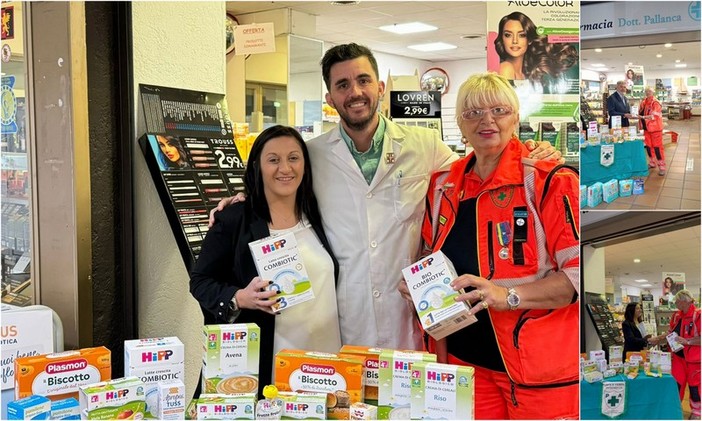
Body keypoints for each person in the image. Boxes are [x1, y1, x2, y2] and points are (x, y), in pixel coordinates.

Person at [210, 43, 561, 351]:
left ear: (379, 88)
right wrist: (241, 197)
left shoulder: (426, 147)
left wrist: (528, 150)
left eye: (363, 81)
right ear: (330, 99)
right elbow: (280, 180)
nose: (355, 92)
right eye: (342, 85)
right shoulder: (312, 155)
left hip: (408, 316)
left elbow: (479, 170)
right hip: (343, 320)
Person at [415, 72, 579, 419]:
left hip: (535, 370)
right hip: (462, 359)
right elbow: (429, 256)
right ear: (459, 122)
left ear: (516, 117)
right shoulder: (443, 184)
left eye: (499, 110)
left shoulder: (549, 179)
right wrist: (416, 284)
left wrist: (507, 296)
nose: (486, 120)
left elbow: (578, 277)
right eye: (473, 113)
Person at [189, 125, 340, 396]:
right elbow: (200, 281)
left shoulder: (316, 213)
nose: (285, 168)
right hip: (268, 365)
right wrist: (239, 297)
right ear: (257, 166)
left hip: (322, 363)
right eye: (274, 160)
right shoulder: (235, 219)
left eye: (293, 158)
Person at [494, 12, 577, 88]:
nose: (515, 41)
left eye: (522, 35)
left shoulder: (525, 73)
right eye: (508, 35)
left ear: (529, 40)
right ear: (502, 39)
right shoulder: (506, 68)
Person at [655, 290, 701, 419]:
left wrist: (688, 341)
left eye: (676, 301)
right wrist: (657, 338)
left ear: (684, 301)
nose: (674, 303)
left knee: (694, 388)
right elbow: (670, 333)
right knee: (676, 386)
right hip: (678, 359)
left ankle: (697, 413)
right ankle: (674, 409)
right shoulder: (676, 316)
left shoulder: (698, 315)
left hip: (694, 361)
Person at [639, 86, 666, 175]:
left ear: (653, 92)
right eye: (646, 91)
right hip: (646, 129)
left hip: (655, 129)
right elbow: (640, 113)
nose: (647, 93)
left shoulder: (656, 103)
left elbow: (654, 116)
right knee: (649, 147)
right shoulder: (643, 102)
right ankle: (652, 162)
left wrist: (642, 117)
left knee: (657, 148)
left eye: (649, 91)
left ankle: (662, 166)